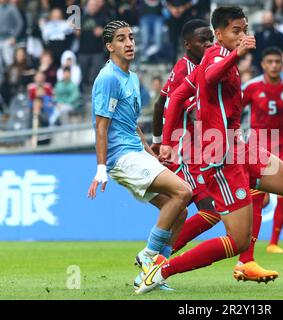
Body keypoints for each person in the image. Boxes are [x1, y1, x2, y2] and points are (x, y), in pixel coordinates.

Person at [137, 6, 283, 294]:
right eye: (235, 31)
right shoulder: (217, 57)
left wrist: (165, 140)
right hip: (219, 157)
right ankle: (160, 270)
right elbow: (213, 75)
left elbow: (177, 96)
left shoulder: (210, 60)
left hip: (237, 147)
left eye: (244, 30)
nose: (242, 36)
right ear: (219, 34)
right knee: (236, 239)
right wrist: (235, 56)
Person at [146, 19, 278, 284]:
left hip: (206, 145)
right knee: (208, 211)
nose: (207, 44)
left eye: (209, 40)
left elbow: (169, 101)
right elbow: (173, 102)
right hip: (196, 149)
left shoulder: (200, 63)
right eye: (202, 40)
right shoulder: (188, 67)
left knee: (235, 202)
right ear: (187, 44)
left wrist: (162, 139)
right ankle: (155, 259)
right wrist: (165, 142)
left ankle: (161, 260)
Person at [86, 20, 192, 292]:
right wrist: (100, 169)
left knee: (180, 210)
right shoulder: (107, 78)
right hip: (121, 158)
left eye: (131, 37)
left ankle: (153, 274)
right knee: (183, 191)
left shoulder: (132, 78)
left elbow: (130, 125)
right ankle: (148, 255)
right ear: (110, 46)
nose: (129, 43)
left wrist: (151, 153)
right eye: (121, 39)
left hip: (136, 153)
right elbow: (102, 125)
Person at [242, 47, 283, 253]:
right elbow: (235, 110)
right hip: (258, 143)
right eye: (269, 62)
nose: (274, 65)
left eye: (277, 62)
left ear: (282, 64)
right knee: (258, 196)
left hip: (282, 144)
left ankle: (273, 243)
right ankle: (248, 245)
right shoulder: (251, 87)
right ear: (262, 64)